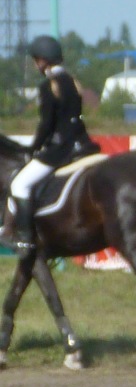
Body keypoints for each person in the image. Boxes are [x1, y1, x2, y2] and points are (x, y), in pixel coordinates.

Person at [4, 35, 95, 251]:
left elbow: (46, 125)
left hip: (60, 150)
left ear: (43, 60)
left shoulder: (48, 86)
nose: (36, 64)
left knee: (19, 184)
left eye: (36, 60)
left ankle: (25, 238)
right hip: (82, 144)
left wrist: (33, 147)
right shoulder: (73, 82)